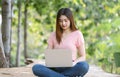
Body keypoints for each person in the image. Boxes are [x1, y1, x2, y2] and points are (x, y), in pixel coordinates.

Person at [32, 8, 89, 77]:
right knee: (36, 68)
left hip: (70, 67)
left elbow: (83, 56)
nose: (63, 23)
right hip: (55, 67)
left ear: (71, 20)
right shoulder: (53, 35)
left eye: (66, 21)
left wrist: (74, 62)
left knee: (84, 66)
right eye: (60, 21)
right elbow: (48, 54)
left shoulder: (77, 34)